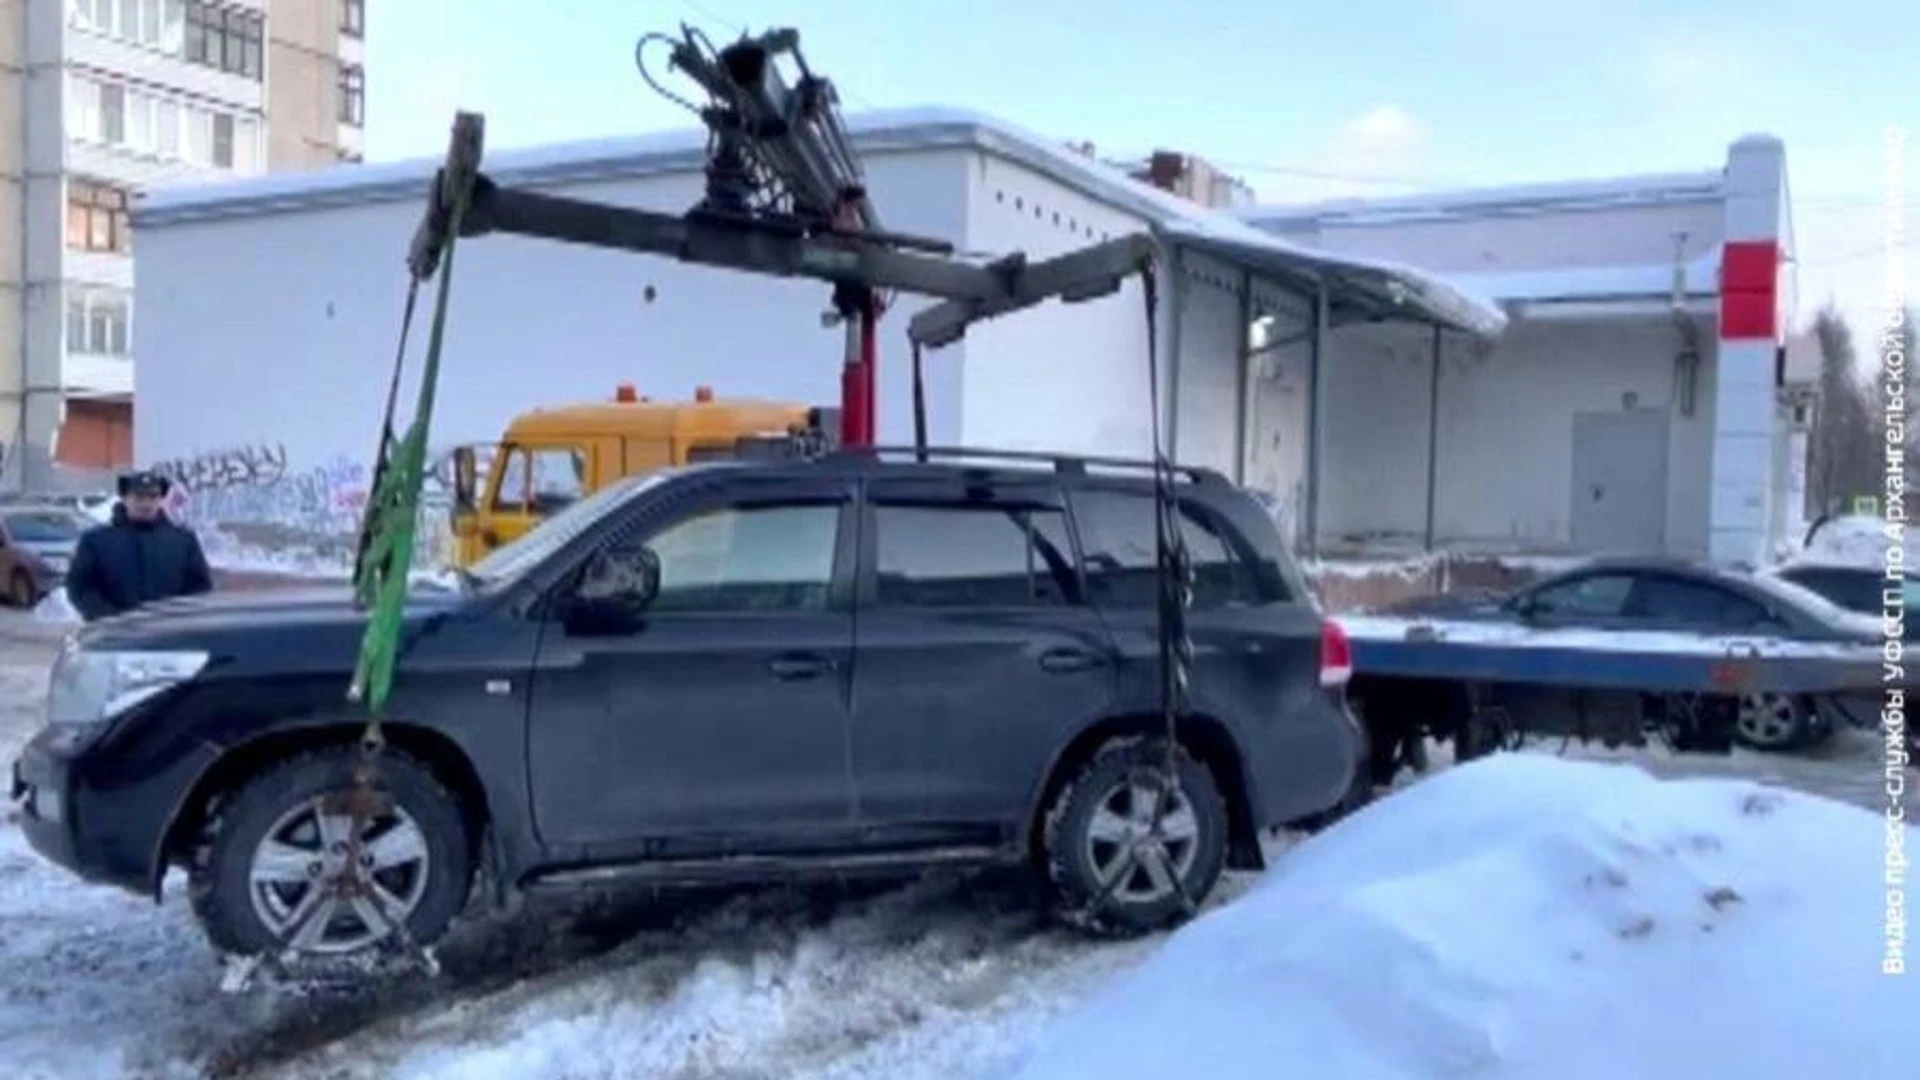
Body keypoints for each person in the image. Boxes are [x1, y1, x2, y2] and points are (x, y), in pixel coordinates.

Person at [66, 471, 214, 622]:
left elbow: (199, 589)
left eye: (153, 497)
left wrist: (178, 618)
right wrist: (108, 618)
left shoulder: (183, 542)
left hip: (169, 633)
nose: (146, 504)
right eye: (139, 497)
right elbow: (79, 587)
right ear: (124, 498)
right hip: (112, 635)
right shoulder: (96, 542)